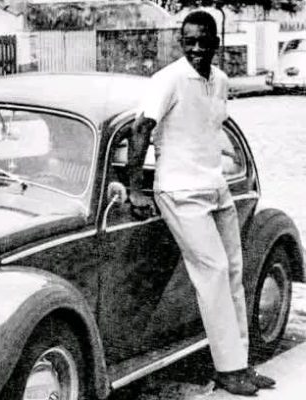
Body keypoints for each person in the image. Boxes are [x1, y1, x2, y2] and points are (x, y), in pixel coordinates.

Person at [129, 10, 276, 396]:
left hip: (215, 187)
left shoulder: (220, 80)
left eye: (203, 41)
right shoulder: (168, 79)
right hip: (179, 192)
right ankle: (228, 370)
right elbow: (140, 128)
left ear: (216, 43)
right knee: (212, 272)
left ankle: (241, 363)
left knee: (233, 272)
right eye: (189, 41)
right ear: (181, 42)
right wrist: (136, 188)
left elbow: (209, 130)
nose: (196, 48)